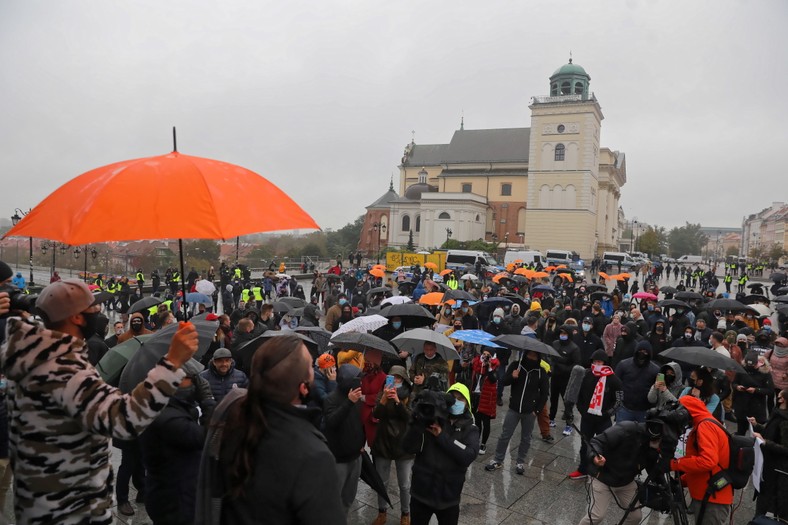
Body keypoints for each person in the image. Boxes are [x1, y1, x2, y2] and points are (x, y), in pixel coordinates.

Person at [0, 278, 198, 524]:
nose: (98, 313)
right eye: (93, 308)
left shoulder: (30, 351)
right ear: (76, 318)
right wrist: (172, 362)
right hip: (70, 508)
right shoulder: (63, 370)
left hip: (41, 496)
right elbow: (124, 419)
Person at [197, 335, 345, 525]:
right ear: (303, 387)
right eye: (310, 367)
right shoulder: (314, 456)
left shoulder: (232, 418)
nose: (314, 370)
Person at [140, 359, 215, 525]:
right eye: (191, 378)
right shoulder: (168, 419)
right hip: (176, 501)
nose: (196, 382)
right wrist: (208, 399)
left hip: (175, 491)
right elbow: (208, 436)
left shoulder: (164, 405)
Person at [402, 383, 479, 525]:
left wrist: (442, 436)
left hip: (448, 499)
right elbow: (407, 447)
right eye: (453, 397)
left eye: (461, 399)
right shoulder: (431, 421)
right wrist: (416, 423)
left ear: (467, 404)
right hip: (421, 495)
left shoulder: (470, 429)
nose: (456, 401)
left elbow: (467, 456)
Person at [578, 416, 663, 525]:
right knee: (596, 516)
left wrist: (663, 483)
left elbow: (652, 467)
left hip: (626, 482)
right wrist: (595, 456)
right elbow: (597, 442)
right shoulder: (626, 428)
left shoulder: (653, 447)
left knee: (635, 517)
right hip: (602, 479)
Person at [669, 396, 732, 524]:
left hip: (712, 499)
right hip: (709, 495)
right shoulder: (704, 423)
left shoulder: (705, 426)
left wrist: (675, 464)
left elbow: (707, 461)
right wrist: (681, 481)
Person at [485, 350, 549, 475]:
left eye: (534, 355)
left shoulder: (541, 372)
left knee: (526, 438)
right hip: (514, 408)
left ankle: (520, 462)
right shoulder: (516, 365)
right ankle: (498, 459)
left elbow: (544, 393)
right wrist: (512, 376)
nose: (531, 357)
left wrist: (537, 410)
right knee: (505, 435)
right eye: (529, 354)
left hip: (530, 412)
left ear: (538, 356)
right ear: (525, 354)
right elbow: (503, 381)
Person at [370, 365, 415, 525]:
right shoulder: (383, 392)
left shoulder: (410, 394)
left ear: (403, 379)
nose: (395, 380)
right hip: (384, 442)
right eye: (392, 377)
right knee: (382, 482)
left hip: (404, 445)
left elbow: (411, 418)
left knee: (404, 484)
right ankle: (382, 512)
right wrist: (383, 400)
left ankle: (405, 514)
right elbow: (375, 414)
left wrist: (398, 402)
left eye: (398, 378)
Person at [568, 350, 623, 480]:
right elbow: (578, 395)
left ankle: (603, 471)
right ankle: (583, 469)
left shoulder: (613, 379)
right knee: (585, 444)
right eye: (594, 362)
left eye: (599, 362)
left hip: (603, 420)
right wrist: (582, 410)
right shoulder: (586, 375)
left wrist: (607, 414)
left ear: (604, 363)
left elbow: (619, 401)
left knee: (605, 446)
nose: (597, 364)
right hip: (587, 418)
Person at [323, 364, 365, 517]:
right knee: (335, 499)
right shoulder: (331, 399)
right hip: (339, 460)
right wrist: (349, 402)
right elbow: (332, 421)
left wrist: (362, 442)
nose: (359, 384)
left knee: (348, 498)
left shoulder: (357, 397)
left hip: (356, 457)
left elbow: (360, 422)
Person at [750, 388, 788, 520]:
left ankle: (758, 520)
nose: (777, 398)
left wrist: (765, 442)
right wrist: (757, 425)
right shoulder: (778, 414)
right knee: (762, 496)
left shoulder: (785, 420)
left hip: (776, 468)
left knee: (767, 499)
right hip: (767, 462)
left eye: (779, 397)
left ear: (783, 399)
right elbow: (770, 431)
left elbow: (786, 448)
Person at [615, 340, 659, 422]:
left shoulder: (655, 370)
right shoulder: (623, 365)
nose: (642, 353)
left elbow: (658, 390)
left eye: (645, 352)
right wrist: (618, 402)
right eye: (640, 351)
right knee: (621, 434)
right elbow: (615, 384)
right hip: (625, 409)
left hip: (644, 410)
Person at [732, 350, 774, 435]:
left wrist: (756, 390)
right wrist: (737, 387)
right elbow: (734, 383)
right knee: (741, 430)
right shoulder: (742, 369)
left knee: (757, 433)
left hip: (756, 406)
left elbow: (770, 390)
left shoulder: (764, 372)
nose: (750, 367)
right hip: (742, 404)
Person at [470, 347, 500, 454]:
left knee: (486, 422)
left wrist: (490, 367)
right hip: (476, 396)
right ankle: (476, 441)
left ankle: (483, 444)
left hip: (487, 397)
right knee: (477, 421)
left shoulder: (495, 365)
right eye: (484, 354)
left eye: (488, 355)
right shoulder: (478, 363)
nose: (485, 356)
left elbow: (493, 379)